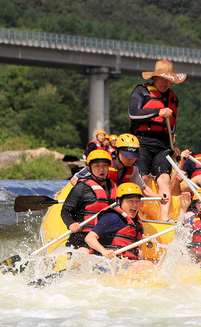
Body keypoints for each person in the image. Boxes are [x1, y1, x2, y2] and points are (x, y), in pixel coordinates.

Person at [129, 59, 186, 220]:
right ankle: (138, 214)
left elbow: (171, 124)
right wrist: (157, 112)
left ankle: (164, 218)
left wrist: (172, 143)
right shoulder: (141, 91)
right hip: (142, 140)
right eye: (162, 79)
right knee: (143, 177)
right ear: (154, 78)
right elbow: (133, 113)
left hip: (163, 143)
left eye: (168, 80)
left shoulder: (173, 97)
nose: (165, 83)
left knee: (164, 178)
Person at [70, 134, 165, 204]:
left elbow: (143, 188)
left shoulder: (134, 169)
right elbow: (74, 179)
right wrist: (89, 195)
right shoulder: (103, 164)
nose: (130, 160)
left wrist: (158, 197)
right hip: (96, 200)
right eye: (127, 156)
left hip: (115, 203)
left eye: (133, 156)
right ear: (117, 151)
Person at [85, 183, 154, 273]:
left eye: (137, 201)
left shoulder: (135, 222)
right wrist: (104, 251)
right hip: (106, 264)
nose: (135, 205)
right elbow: (89, 238)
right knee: (148, 266)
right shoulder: (113, 217)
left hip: (122, 263)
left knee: (147, 264)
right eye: (130, 201)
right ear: (119, 201)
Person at [61, 150, 117, 249]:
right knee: (84, 253)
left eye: (104, 166)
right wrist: (71, 224)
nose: (101, 169)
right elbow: (66, 210)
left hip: (106, 237)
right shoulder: (81, 188)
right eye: (97, 166)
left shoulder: (114, 186)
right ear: (89, 168)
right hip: (83, 237)